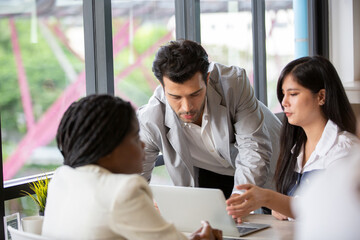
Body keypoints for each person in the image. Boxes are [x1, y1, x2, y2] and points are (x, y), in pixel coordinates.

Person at [42, 95, 222, 240]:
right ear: (109, 148)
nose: (143, 145)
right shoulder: (123, 191)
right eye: (136, 137)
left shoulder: (61, 178)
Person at [137, 39, 281, 200]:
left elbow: (254, 150)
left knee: (278, 220)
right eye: (175, 97)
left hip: (271, 163)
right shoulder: (151, 118)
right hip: (212, 172)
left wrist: (239, 200)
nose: (186, 107)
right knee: (215, 220)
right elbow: (135, 178)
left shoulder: (234, 84)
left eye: (195, 94)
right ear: (161, 85)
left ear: (207, 78)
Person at [226, 56, 360, 223]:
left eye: (293, 94)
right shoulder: (296, 148)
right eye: (283, 95)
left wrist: (271, 199)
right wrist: (280, 207)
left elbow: (333, 209)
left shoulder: (343, 148)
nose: (284, 102)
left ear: (321, 97)